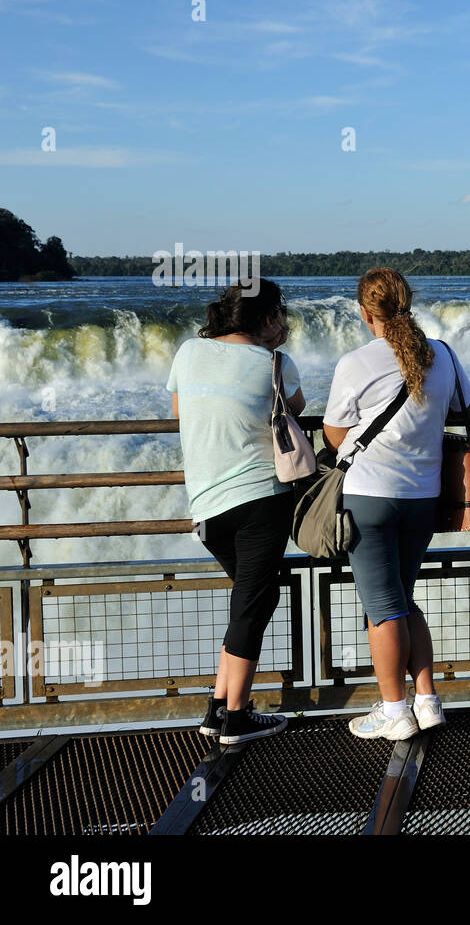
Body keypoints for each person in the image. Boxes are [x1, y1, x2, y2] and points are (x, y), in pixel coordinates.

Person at [323, 268, 470, 740]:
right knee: (402, 601)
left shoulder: (356, 362)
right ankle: (426, 701)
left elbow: (334, 434)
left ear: (366, 313)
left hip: (369, 499)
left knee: (384, 608)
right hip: (422, 498)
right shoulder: (443, 354)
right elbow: (466, 410)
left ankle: (394, 711)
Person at [168, 279, 303, 745]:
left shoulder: (187, 352)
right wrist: (272, 350)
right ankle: (237, 717)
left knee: (250, 601)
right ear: (268, 319)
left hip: (205, 508)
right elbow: (296, 410)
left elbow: (180, 408)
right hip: (260, 501)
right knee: (251, 606)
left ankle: (217, 708)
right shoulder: (274, 363)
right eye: (278, 315)